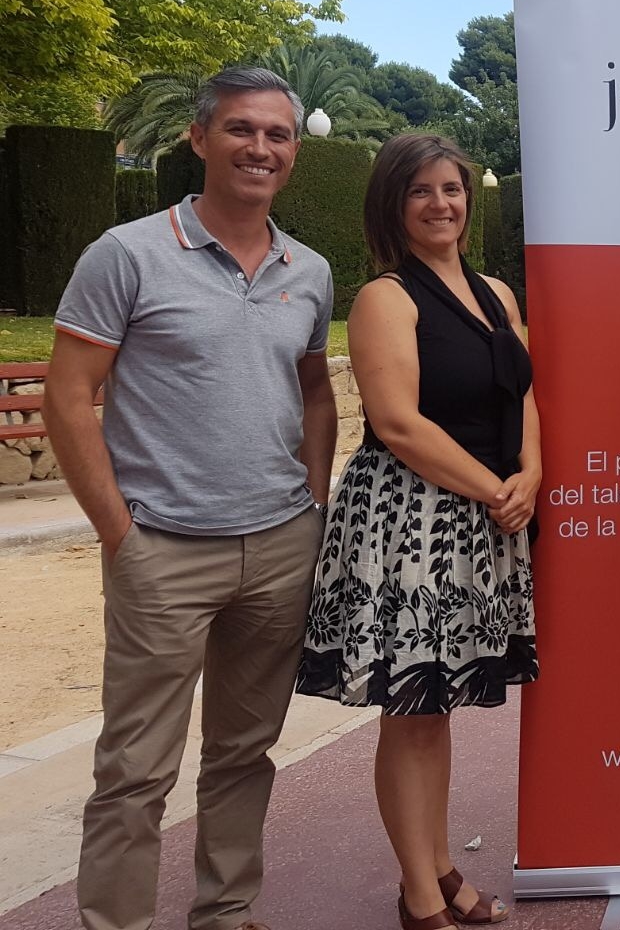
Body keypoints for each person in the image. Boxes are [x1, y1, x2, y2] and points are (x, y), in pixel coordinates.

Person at [47, 66, 337, 930]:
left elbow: (314, 390)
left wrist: (313, 502)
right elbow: (69, 396)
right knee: (135, 769)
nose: (260, 148)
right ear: (199, 137)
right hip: (163, 549)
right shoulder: (127, 254)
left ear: (293, 151)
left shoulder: (309, 270)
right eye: (242, 129)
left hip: (279, 545)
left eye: (278, 134)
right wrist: (119, 532)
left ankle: (227, 912)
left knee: (244, 753)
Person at [296, 133, 539, 930]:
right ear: (392, 206)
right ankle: (420, 895)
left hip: (480, 519)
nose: (441, 203)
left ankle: (436, 868)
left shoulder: (496, 293)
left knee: (436, 706)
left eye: (452, 188)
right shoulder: (385, 298)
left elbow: (523, 392)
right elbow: (398, 423)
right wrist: (496, 489)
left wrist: (532, 472)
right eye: (421, 191)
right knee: (410, 708)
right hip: (409, 523)